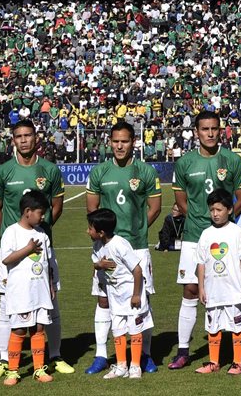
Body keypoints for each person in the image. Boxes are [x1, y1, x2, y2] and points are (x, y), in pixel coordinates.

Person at [0, 121, 68, 379]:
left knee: (49, 303)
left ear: (36, 138)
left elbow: (57, 205)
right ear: (13, 140)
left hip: (42, 248)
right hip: (11, 251)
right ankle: (4, 360)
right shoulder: (3, 171)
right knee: (6, 306)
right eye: (18, 136)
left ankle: (54, 356)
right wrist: (14, 236)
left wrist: (40, 229)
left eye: (27, 135)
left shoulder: (49, 170)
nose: (23, 140)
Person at [168, 111, 241, 370]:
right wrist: (200, 224)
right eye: (205, 129)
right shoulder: (185, 163)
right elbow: (181, 200)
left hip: (225, 239)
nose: (210, 133)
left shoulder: (232, 160)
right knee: (191, 290)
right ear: (196, 132)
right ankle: (183, 351)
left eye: (215, 128)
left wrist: (223, 225)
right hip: (194, 237)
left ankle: (239, 353)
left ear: (220, 131)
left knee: (232, 290)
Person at [83, 122, 162, 375]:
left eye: (125, 141)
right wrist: (105, 239)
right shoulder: (99, 172)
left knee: (141, 300)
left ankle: (145, 355)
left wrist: (137, 230)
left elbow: (155, 207)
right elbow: (92, 209)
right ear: (109, 142)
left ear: (133, 142)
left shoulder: (145, 171)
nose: (119, 146)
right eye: (115, 141)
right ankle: (101, 355)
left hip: (137, 247)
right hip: (106, 247)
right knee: (103, 299)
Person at [0, 191, 58, 385]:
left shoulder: (42, 234)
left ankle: (39, 368)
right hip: (21, 291)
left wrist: (51, 285)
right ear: (27, 211)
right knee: (18, 330)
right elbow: (6, 259)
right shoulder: (12, 232)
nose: (43, 217)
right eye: (40, 213)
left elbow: (47, 262)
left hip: (40, 290)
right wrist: (28, 249)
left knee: (39, 328)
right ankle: (13, 371)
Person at [194, 188, 241, 376]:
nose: (215, 214)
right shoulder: (206, 234)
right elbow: (201, 263)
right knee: (213, 327)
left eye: (219, 210)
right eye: (212, 210)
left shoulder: (237, 232)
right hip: (213, 291)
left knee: (237, 326)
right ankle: (214, 362)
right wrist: (201, 287)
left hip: (233, 290)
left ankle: (237, 362)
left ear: (229, 210)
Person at [86, 208, 151, 380]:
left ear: (101, 232)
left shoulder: (120, 245)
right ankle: (121, 365)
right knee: (117, 329)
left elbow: (137, 270)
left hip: (130, 294)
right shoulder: (97, 245)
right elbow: (96, 263)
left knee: (135, 329)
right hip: (115, 295)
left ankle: (135, 366)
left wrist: (136, 295)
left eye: (90, 228)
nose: (87, 231)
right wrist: (99, 265)